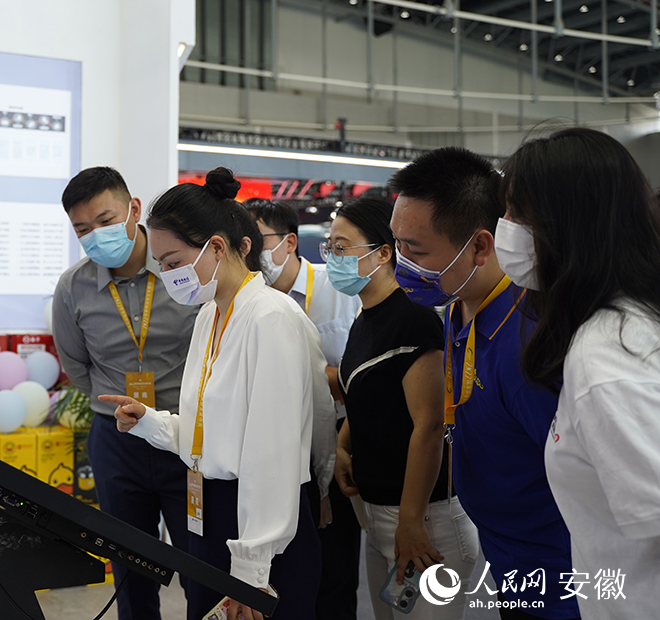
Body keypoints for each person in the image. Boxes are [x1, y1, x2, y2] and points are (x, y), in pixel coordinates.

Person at [100, 168, 323, 620]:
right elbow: (215, 429)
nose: (167, 275)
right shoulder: (210, 314)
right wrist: (151, 422)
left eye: (173, 262)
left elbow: (272, 455)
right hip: (208, 510)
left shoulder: (270, 318)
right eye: (161, 265)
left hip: (258, 523)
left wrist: (251, 569)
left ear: (217, 247)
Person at [389, 147, 580, 620]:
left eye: (416, 250)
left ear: (479, 246)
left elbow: (582, 478)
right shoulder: (458, 305)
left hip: (558, 571)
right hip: (505, 554)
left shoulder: (530, 346)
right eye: (396, 243)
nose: (402, 263)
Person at [497, 127, 660, 619]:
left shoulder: (608, 355)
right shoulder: (630, 322)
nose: (506, 228)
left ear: (565, 224)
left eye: (516, 214)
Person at [51, 167, 198, 620]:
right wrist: (115, 403)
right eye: (83, 229)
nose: (96, 235)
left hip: (186, 435)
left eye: (105, 220)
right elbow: (76, 366)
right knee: (130, 565)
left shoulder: (183, 271)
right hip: (116, 441)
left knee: (200, 560)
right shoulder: (73, 287)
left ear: (134, 209)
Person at [329, 196, 477, 620]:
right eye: (329, 247)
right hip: (378, 513)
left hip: (425, 520)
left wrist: (411, 521)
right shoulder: (365, 319)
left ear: (383, 253)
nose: (333, 258)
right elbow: (367, 395)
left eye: (342, 248)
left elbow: (429, 425)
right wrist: (343, 445)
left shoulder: (413, 319)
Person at [246, 199, 362, 620]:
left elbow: (363, 377)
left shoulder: (340, 290)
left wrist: (309, 375)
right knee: (286, 573)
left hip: (336, 442)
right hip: (275, 448)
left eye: (258, 241)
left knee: (335, 570)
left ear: (289, 243)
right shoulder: (247, 303)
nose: (250, 252)